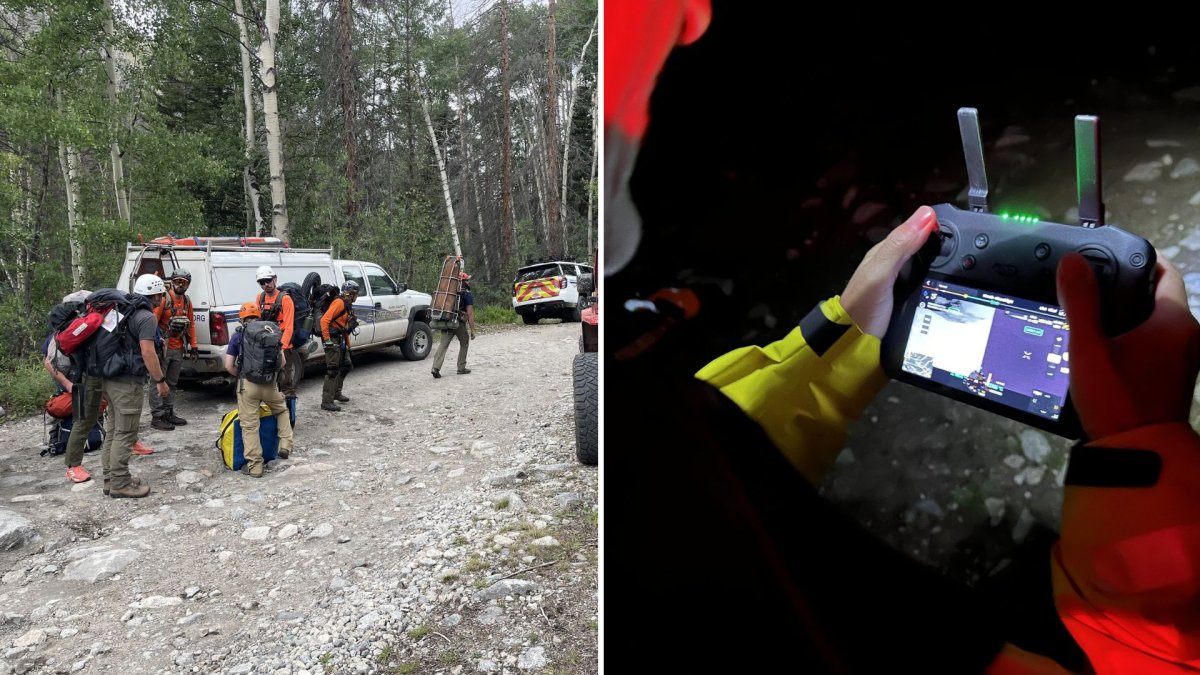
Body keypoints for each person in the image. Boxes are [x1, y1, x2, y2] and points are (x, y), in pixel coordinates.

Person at [606, 3, 1200, 672]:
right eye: (659, 10)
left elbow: (710, 463)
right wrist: (1141, 470)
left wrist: (842, 337)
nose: (698, 19)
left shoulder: (628, 433)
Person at [85, 275, 170, 498]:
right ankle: (120, 483)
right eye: (161, 294)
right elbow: (148, 352)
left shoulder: (120, 312)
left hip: (108, 378)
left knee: (113, 431)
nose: (162, 298)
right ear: (157, 295)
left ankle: (109, 478)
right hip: (126, 382)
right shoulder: (146, 317)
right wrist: (160, 381)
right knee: (126, 433)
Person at [224, 301, 294, 477]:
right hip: (270, 384)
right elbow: (283, 362)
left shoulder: (238, 336)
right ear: (258, 316)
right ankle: (285, 445)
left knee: (250, 425)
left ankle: (255, 466)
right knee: (281, 411)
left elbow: (228, 365)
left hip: (248, 385)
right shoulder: (270, 332)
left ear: (242, 319)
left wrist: (242, 375)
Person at [149, 269, 198, 430]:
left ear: (188, 285)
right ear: (172, 282)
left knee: (172, 382)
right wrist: (155, 343)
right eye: (178, 281)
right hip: (163, 347)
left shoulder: (187, 301)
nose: (180, 285)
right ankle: (158, 416)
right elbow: (153, 321)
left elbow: (191, 324)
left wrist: (194, 345)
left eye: (184, 282)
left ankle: (169, 412)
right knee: (158, 381)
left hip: (178, 347)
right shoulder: (165, 299)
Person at [253, 265, 296, 399]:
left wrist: (281, 348)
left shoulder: (285, 299)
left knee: (285, 382)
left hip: (283, 346)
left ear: (274, 279)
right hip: (267, 346)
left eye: (268, 280)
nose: (266, 284)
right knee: (268, 383)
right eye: (262, 282)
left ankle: (288, 416)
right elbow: (257, 323)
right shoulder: (260, 298)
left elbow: (289, 327)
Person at [319, 280, 359, 412]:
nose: (356, 296)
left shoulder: (347, 305)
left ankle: (336, 393)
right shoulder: (339, 303)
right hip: (332, 340)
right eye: (355, 293)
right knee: (332, 370)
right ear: (351, 293)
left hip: (340, 339)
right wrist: (327, 340)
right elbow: (324, 320)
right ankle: (326, 401)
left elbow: (343, 328)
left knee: (346, 365)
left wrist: (348, 345)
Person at [430, 272, 475, 379]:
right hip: (459, 322)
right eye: (467, 280)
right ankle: (461, 367)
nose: (469, 282)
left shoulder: (448, 292)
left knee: (443, 344)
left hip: (446, 320)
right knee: (464, 342)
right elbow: (470, 313)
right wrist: (472, 330)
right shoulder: (466, 294)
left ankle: (435, 368)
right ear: (463, 282)